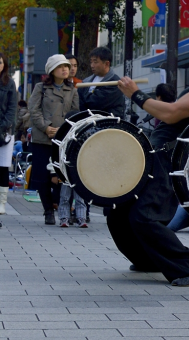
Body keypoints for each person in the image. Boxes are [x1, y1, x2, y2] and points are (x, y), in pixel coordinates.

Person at [110, 29, 189, 286]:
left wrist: (136, 94)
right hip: (155, 155)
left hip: (167, 160)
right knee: (119, 212)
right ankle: (149, 260)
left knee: (145, 216)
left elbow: (172, 113)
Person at [28, 55, 79, 225]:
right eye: (60, 67)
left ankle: (62, 207)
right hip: (42, 138)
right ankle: (48, 210)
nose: (65, 69)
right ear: (51, 70)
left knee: (61, 176)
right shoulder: (40, 87)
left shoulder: (72, 90)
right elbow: (34, 110)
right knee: (42, 177)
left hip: (63, 140)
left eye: (66, 66)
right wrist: (46, 127)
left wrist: (64, 130)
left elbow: (75, 114)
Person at [79, 47, 125, 119]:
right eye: (91, 62)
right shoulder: (87, 81)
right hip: (88, 119)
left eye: (95, 62)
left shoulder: (114, 82)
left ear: (106, 64)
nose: (92, 65)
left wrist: (84, 96)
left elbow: (94, 103)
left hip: (107, 121)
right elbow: (80, 102)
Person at [0, 53, 17, 215]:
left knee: (3, 167)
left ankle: (2, 202)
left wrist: (4, 126)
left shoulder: (9, 83)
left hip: (5, 132)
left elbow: (12, 108)